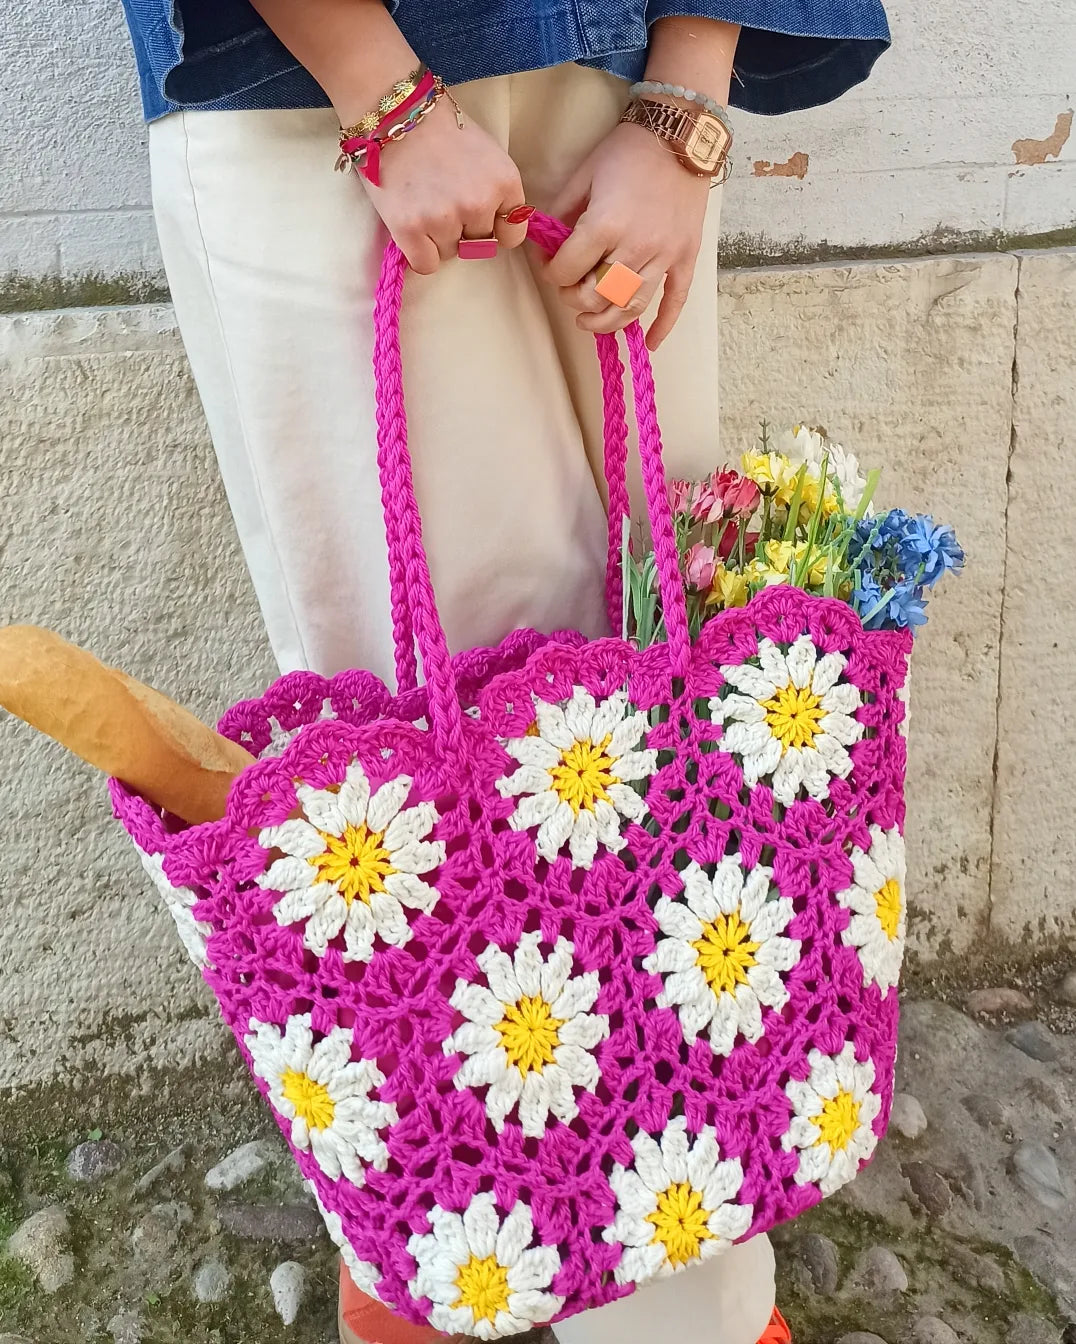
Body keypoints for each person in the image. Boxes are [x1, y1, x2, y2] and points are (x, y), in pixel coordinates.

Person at [117, 2, 891, 1341]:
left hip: (622, 79)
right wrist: (380, 89)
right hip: (318, 85)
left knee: (680, 725)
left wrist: (689, 96)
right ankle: (464, 1272)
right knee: (424, 804)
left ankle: (686, 1303)